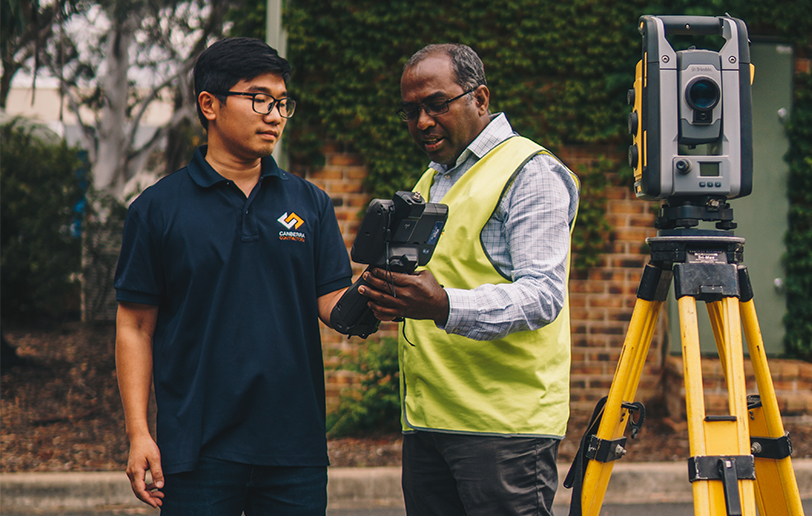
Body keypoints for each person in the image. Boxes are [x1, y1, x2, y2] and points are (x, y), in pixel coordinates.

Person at [113, 37, 352, 515]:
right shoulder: (158, 209)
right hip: (196, 448)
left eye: (283, 103)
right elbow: (134, 326)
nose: (275, 115)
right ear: (210, 105)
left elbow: (332, 301)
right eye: (259, 99)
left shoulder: (310, 203)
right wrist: (139, 433)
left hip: (294, 449)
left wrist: (376, 295)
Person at [358, 43, 580, 516]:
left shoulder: (531, 172)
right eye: (411, 111)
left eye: (436, 104)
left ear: (480, 98)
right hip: (428, 423)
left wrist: (444, 306)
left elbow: (543, 294)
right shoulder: (433, 179)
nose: (422, 122)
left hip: (504, 431)